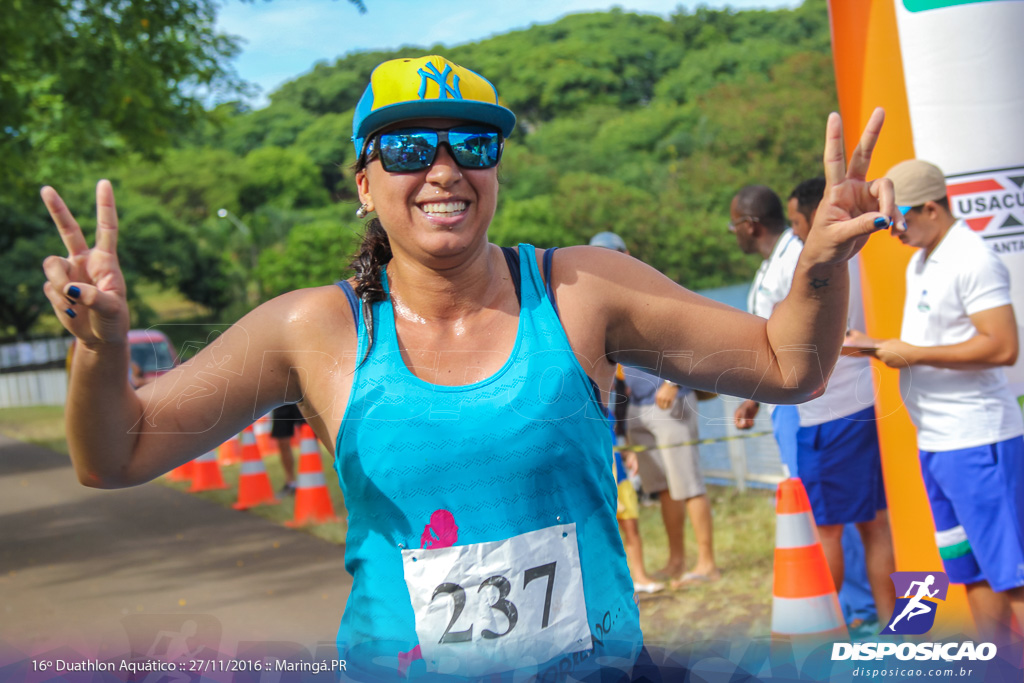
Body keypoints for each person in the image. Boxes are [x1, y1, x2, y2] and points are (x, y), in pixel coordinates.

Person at [40, 53, 899, 680]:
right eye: (409, 149)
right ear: (365, 183)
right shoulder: (314, 330)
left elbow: (790, 365)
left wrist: (821, 262)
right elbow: (115, 454)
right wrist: (101, 349)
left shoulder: (579, 292)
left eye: (471, 147)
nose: (443, 169)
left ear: (496, 171)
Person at [849, 159, 1024, 643]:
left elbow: (1003, 346)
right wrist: (870, 345)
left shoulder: (972, 257)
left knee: (1014, 577)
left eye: (896, 218)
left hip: (980, 440)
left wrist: (912, 353)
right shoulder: (922, 260)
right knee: (973, 573)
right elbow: (927, 346)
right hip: (939, 444)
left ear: (930, 208)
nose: (892, 229)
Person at [785, 177, 897, 630]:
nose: (794, 232)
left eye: (796, 222)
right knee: (877, 524)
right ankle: (896, 629)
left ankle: (829, 631)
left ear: (816, 215)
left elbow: (824, 339)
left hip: (831, 416)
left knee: (827, 529)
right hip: (865, 408)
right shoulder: (862, 253)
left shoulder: (818, 258)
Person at [588, 232, 665, 595]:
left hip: (616, 445)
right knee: (602, 524)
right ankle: (613, 585)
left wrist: (626, 445)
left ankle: (642, 576)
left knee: (629, 517)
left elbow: (619, 404)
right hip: (593, 450)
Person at [621, 365, 720, 588]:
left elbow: (689, 339)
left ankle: (707, 565)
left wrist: (673, 382)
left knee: (689, 484)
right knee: (664, 487)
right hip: (637, 404)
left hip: (672, 398)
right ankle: (677, 562)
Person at [270, 402, 305, 495]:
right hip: (281, 399)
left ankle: (312, 479)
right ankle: (290, 483)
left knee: (308, 437)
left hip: (301, 397)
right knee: (282, 440)